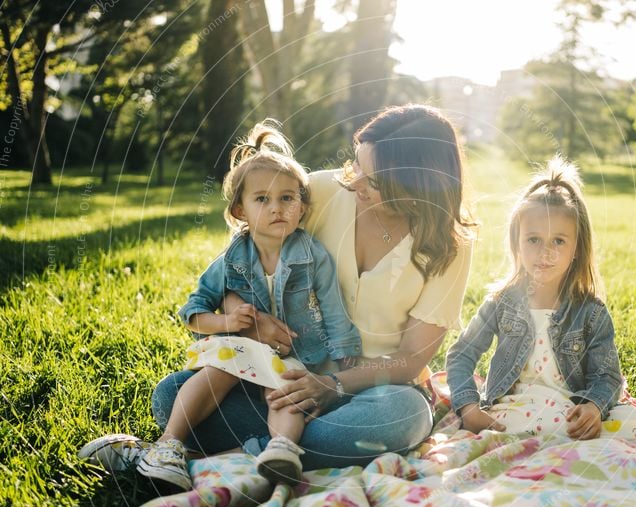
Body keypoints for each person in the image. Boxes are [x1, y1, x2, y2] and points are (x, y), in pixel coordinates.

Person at [80, 104, 475, 478]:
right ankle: (278, 449)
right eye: (357, 163)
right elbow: (242, 263)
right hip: (285, 377)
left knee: (402, 419)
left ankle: (206, 461)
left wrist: (333, 384)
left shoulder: (447, 246)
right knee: (172, 395)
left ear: (413, 186)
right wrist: (250, 321)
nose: (354, 180)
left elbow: (410, 358)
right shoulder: (319, 192)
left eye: (371, 179)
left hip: (372, 390)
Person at [80, 121, 361, 490]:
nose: (276, 208)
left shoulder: (313, 254)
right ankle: (169, 445)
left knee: (287, 394)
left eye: (287, 198)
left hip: (297, 354)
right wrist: (227, 321)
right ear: (240, 211)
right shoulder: (232, 260)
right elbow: (193, 312)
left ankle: (282, 450)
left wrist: (344, 354)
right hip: (243, 351)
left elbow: (332, 306)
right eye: (262, 199)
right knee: (217, 371)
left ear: (302, 207)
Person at [446, 156, 636, 441]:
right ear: (516, 243)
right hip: (514, 407)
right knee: (519, 429)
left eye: (558, 241)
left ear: (577, 249)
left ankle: (548, 443)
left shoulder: (591, 312)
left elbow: (606, 377)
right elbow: (461, 354)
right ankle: (550, 446)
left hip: (572, 410)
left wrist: (593, 407)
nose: (545, 252)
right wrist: (469, 407)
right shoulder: (501, 303)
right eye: (533, 240)